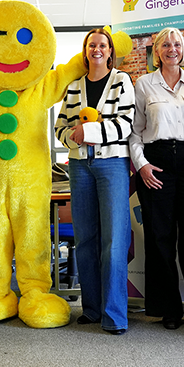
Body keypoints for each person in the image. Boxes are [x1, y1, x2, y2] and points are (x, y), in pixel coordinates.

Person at [128, 27, 184, 333]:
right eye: (165, 44)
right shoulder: (143, 84)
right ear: (157, 51)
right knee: (160, 239)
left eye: (176, 44)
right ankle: (168, 309)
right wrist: (141, 165)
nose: (171, 48)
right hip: (157, 164)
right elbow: (135, 131)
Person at [55, 28, 135, 335]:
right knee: (86, 238)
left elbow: (125, 124)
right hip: (79, 166)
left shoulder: (121, 81)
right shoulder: (75, 85)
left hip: (112, 164)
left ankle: (114, 314)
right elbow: (60, 127)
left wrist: (88, 134)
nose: (97, 49)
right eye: (92, 45)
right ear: (85, 50)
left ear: (110, 50)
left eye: (102, 45)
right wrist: (75, 141)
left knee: (114, 239)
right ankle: (91, 308)